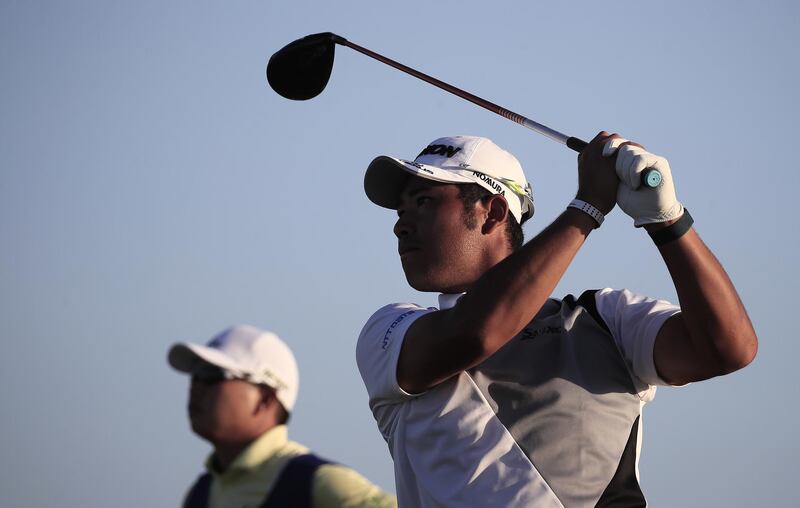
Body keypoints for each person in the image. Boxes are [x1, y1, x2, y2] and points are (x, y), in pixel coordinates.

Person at [356, 133, 757, 507]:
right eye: (401, 210)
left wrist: (668, 221)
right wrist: (586, 208)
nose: (400, 224)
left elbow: (729, 349)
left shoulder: (605, 318)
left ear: (492, 212)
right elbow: (478, 333)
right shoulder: (389, 331)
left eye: (423, 202)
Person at [169, 324, 397, 508]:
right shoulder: (199, 495)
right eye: (195, 375)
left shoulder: (318, 482)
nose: (195, 387)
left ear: (265, 399)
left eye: (211, 374)